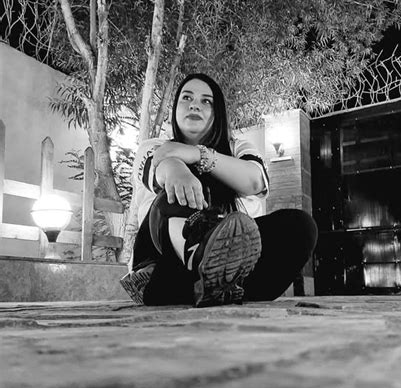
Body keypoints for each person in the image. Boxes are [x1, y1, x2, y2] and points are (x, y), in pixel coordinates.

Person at [120, 73, 317, 307]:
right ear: (175, 108)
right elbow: (161, 169)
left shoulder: (238, 148)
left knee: (300, 226)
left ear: (217, 113)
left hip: (233, 268)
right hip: (166, 270)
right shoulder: (153, 146)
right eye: (186, 98)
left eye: (206, 101)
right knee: (181, 186)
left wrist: (199, 154)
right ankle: (199, 264)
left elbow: (255, 181)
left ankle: (222, 285)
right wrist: (177, 167)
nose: (194, 105)